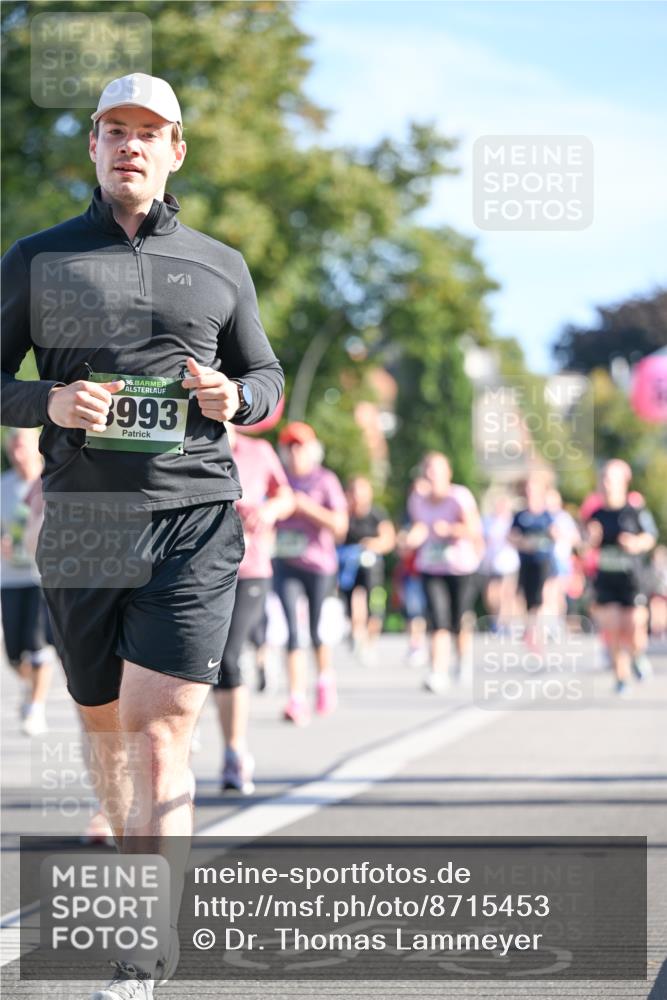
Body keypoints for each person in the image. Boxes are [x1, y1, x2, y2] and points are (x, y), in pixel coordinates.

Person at [1, 73, 283, 999]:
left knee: (161, 728)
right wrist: (47, 398)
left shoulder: (219, 263)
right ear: (91, 145)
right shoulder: (39, 259)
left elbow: (268, 378)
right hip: (82, 525)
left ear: (175, 151)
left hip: (195, 518)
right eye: (114, 129)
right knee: (105, 723)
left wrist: (234, 397)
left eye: (148, 132)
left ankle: (144, 941)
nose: (130, 144)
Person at [213, 423, 294, 793]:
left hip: (250, 569)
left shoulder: (258, 452)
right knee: (199, 660)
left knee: (228, 657)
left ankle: (234, 753)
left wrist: (269, 509)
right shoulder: (188, 444)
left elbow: (286, 496)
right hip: (200, 570)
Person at [273, 421, 348, 724]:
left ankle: (324, 679)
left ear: (312, 450)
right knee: (291, 628)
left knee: (317, 629)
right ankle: (295, 697)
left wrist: (306, 507)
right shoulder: (279, 480)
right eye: (289, 446)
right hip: (285, 562)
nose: (295, 452)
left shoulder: (325, 480)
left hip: (319, 564)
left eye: (300, 446)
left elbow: (340, 528)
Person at [404, 452, 483, 692]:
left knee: (459, 619)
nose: (431, 476)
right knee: (438, 619)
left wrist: (451, 529)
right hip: (431, 565)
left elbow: (474, 530)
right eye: (428, 470)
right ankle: (438, 671)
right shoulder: (417, 499)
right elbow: (419, 526)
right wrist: (410, 539)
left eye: (436, 471)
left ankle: (463, 659)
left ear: (447, 474)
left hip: (460, 566)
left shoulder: (460, 497)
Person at [585, 460, 657, 694]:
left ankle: (637, 655)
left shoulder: (635, 512)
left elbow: (650, 537)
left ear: (623, 483)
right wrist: (589, 540)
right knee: (613, 627)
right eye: (603, 479)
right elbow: (583, 546)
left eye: (611, 480)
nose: (606, 485)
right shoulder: (596, 515)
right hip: (607, 579)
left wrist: (636, 543)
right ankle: (621, 676)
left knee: (635, 627)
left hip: (633, 580)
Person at [0, 428, 54, 735]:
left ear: (36, 448)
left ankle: (36, 706)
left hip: (40, 576)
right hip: (9, 577)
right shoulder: (3, 486)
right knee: (13, 652)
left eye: (22, 446)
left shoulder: (51, 482)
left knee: (37, 643)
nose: (17, 453)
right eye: (12, 447)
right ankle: (29, 686)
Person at [338, 476, 395, 664]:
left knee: (374, 604)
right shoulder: (344, 514)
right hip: (348, 568)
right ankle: (356, 633)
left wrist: (372, 545)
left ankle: (370, 642)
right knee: (354, 599)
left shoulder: (377, 514)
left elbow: (388, 539)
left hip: (372, 568)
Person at [509, 473, 557, 647]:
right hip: (526, 562)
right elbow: (511, 537)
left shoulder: (547, 515)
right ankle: (532, 629)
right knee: (528, 599)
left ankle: (540, 629)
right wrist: (523, 543)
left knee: (542, 595)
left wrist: (550, 536)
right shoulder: (520, 516)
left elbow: (556, 534)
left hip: (543, 561)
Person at [480, 492, 519, 632]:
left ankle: (505, 623)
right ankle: (497, 618)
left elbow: (519, 540)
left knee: (506, 593)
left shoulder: (513, 522)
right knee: (491, 594)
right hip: (491, 564)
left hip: (508, 563)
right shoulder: (487, 521)